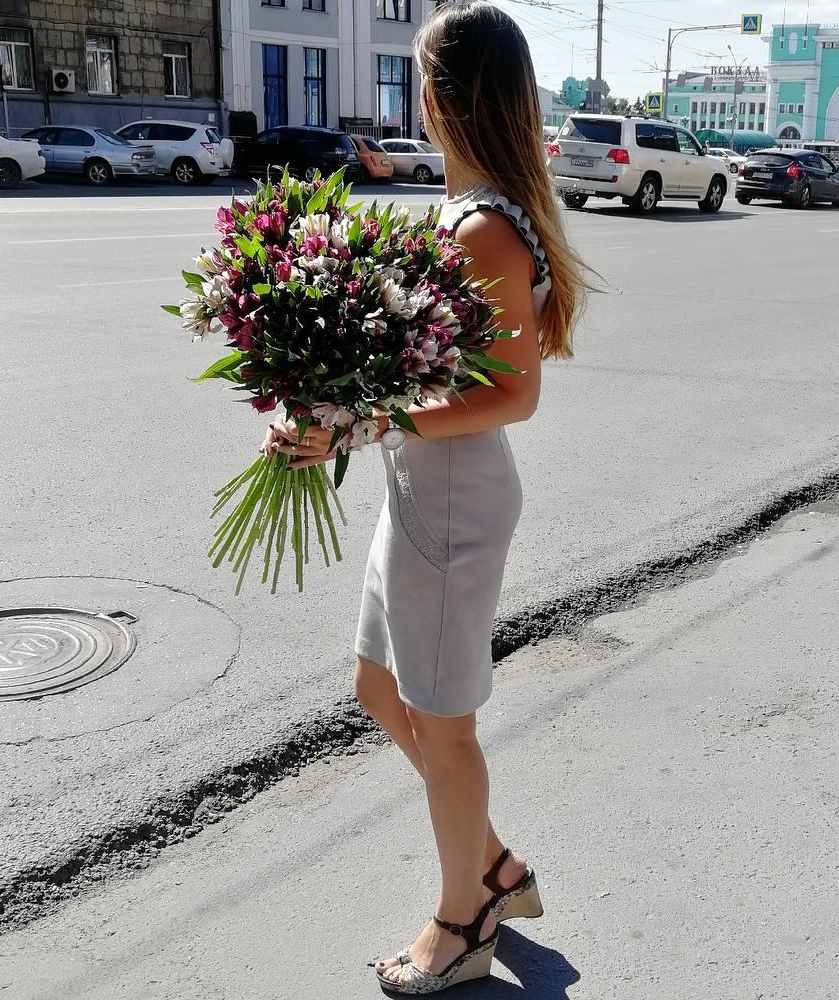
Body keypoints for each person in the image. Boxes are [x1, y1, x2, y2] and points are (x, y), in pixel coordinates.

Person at [262, 1, 585, 992]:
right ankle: (494, 868)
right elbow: (424, 365)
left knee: (444, 725)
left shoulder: (486, 227)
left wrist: (358, 426)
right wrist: (326, 403)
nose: (414, 98)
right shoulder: (463, 211)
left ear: (444, 99)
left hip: (453, 504)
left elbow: (512, 394)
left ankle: (464, 918)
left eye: (417, 79)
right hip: (422, 492)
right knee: (378, 687)